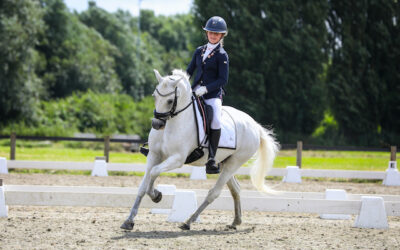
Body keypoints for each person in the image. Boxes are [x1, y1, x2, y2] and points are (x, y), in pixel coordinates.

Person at [186, 16, 229, 174]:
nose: (213, 36)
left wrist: (206, 89)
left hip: (212, 95)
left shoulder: (222, 55)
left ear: (221, 36)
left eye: (216, 34)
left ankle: (211, 158)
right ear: (207, 33)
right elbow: (189, 71)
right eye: (211, 33)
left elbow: (222, 80)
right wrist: (181, 81)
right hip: (194, 91)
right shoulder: (199, 51)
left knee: (216, 120)